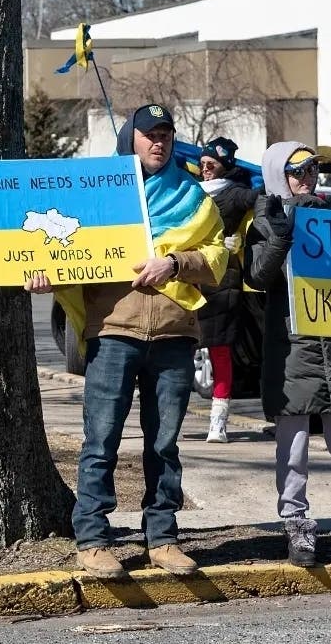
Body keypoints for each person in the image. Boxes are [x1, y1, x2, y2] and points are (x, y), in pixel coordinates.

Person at [26, 104, 227, 579]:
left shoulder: (195, 199)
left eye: (165, 135)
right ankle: (93, 540)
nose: (159, 143)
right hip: (114, 331)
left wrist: (175, 263)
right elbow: (66, 247)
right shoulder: (96, 196)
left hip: (175, 335)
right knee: (101, 440)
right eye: (149, 135)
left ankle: (162, 538)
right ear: (128, 140)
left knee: (164, 443)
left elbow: (218, 257)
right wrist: (44, 277)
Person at [243, 142, 329, 567]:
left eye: (312, 168)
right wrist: (280, 235)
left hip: (330, 340)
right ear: (279, 174)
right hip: (293, 349)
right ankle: (297, 526)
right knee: (293, 447)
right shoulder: (265, 219)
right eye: (297, 171)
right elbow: (257, 276)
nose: (307, 178)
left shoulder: (327, 213)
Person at [196, 137, 260, 443]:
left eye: (213, 164)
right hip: (190, 278)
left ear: (226, 167)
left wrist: (236, 242)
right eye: (203, 164)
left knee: (220, 352)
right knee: (180, 351)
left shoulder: (235, 195)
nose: (206, 169)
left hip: (223, 283)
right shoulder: (190, 193)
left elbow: (262, 200)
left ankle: (217, 423)